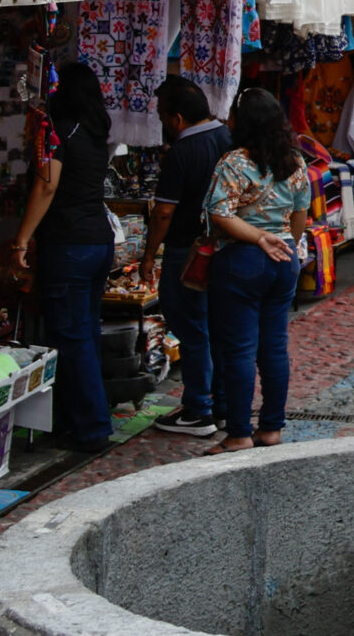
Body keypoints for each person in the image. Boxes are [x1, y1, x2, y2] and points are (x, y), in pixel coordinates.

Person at [11, 61, 116, 451]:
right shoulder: (92, 130)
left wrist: (21, 240)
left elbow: (46, 187)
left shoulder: (58, 132)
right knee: (83, 333)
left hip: (70, 245)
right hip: (96, 242)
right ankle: (81, 420)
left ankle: (91, 428)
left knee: (73, 338)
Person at [203, 88, 313, 455]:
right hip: (284, 262)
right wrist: (282, 243)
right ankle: (271, 428)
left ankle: (238, 432)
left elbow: (220, 213)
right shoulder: (295, 162)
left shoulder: (234, 162)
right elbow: (300, 215)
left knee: (238, 349)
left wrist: (259, 238)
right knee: (274, 347)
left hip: (241, 261)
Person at [140, 77, 231, 438]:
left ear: (176, 118)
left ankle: (199, 409)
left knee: (191, 328)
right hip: (221, 246)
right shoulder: (226, 139)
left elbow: (163, 212)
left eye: (163, 116)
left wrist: (149, 255)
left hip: (186, 249)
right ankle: (220, 405)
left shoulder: (182, 150)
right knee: (213, 328)